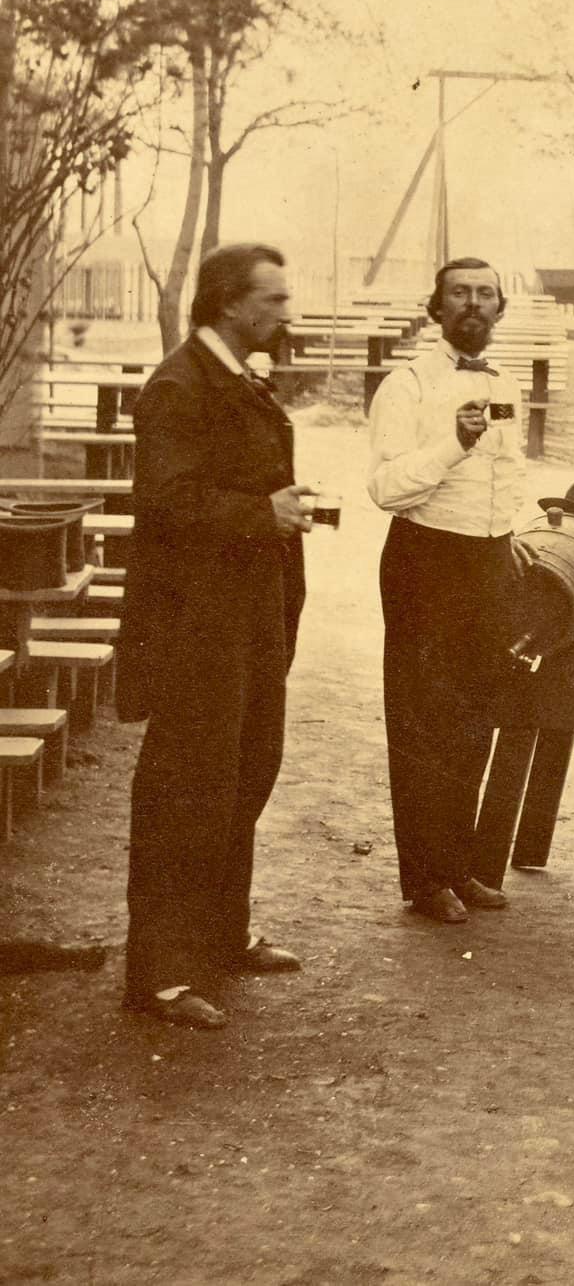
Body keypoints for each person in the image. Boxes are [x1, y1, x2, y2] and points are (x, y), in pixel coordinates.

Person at [118, 243, 312, 1028]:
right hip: (195, 623)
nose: (285, 313)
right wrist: (259, 515)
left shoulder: (239, 378)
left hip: (249, 613)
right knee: (184, 788)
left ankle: (221, 935)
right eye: (274, 299)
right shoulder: (177, 386)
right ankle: (158, 975)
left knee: (245, 771)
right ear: (231, 303)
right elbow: (166, 503)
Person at [367, 256, 530, 926]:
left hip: (489, 561)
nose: (473, 305)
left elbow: (509, 465)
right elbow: (385, 488)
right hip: (426, 561)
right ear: (435, 308)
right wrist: (450, 446)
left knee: (474, 720)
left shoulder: (505, 381)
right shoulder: (405, 385)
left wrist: (511, 533)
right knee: (422, 722)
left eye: (485, 294)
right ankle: (425, 880)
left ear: (500, 310)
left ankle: (458, 866)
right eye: (459, 294)